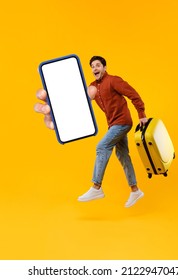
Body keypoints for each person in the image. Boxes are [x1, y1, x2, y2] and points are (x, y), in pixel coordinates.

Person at [34, 56, 148, 207]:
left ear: (104, 67)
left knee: (102, 147)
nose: (95, 68)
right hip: (113, 124)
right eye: (92, 66)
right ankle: (135, 190)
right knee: (122, 155)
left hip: (122, 122)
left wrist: (142, 115)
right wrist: (57, 100)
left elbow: (133, 94)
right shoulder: (93, 86)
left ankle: (96, 187)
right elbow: (80, 101)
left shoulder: (114, 80)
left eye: (98, 65)